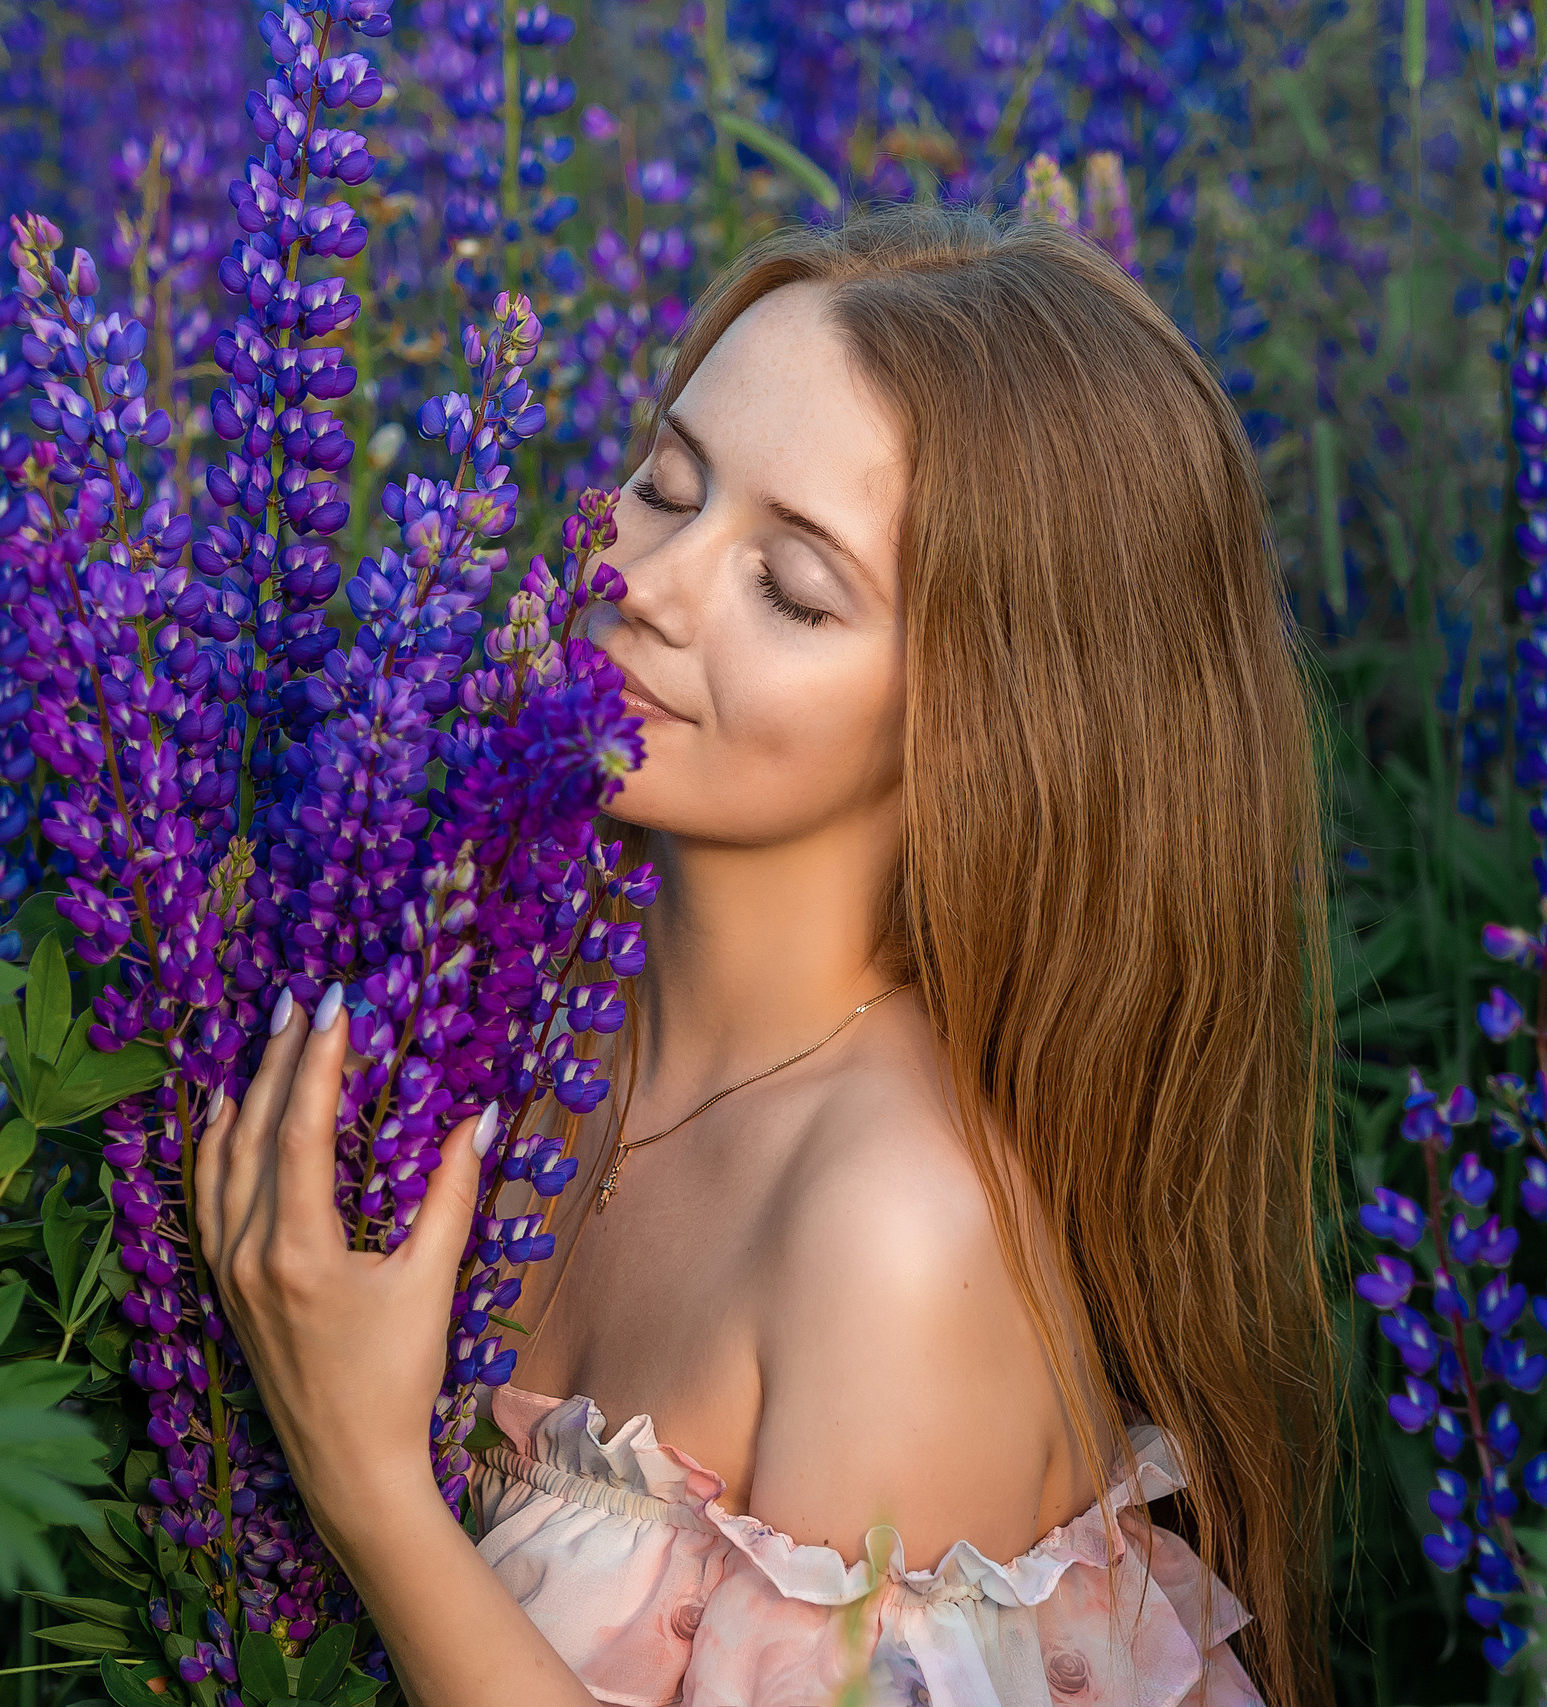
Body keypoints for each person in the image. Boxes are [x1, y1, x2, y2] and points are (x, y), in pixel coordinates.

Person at [192, 204, 1333, 1707]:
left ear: (991, 723)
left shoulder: (899, 1238)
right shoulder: (500, 993)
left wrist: (367, 1482)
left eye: (790, 586)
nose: (648, 583)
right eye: (664, 487)